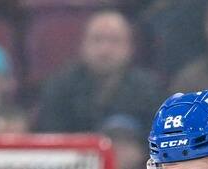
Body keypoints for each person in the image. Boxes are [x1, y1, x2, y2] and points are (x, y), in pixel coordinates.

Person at [33, 9, 164, 134]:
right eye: (97, 39)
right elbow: (50, 137)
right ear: (83, 45)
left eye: (114, 40)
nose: (104, 50)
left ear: (130, 48)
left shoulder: (148, 90)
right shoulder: (60, 88)